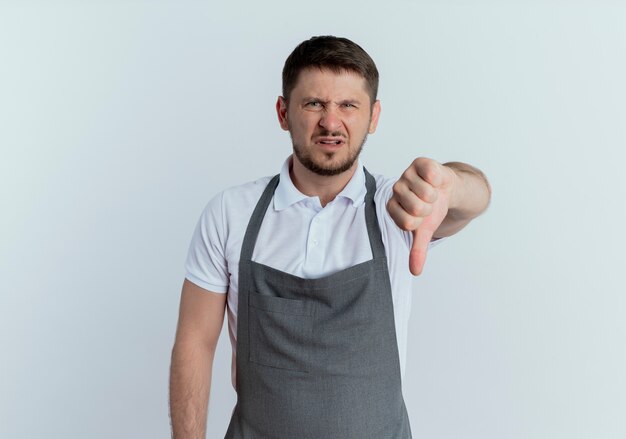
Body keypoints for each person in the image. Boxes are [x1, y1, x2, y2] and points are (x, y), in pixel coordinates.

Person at [169, 35, 491, 439]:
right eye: (314, 104)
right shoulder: (231, 213)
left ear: (373, 117)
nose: (331, 122)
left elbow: (476, 197)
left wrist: (451, 186)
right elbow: (194, 343)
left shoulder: (400, 208)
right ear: (283, 112)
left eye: (348, 106)